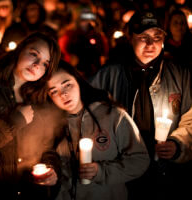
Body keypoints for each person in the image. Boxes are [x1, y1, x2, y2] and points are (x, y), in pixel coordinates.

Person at [91, 9, 192, 200]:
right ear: (130, 38)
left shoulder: (181, 75)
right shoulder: (108, 75)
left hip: (165, 173)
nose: (151, 43)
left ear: (164, 39)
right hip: (120, 171)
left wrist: (178, 144)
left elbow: (191, 117)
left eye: (157, 36)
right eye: (143, 36)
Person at [0, 32, 63, 200]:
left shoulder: (40, 100)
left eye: (45, 63)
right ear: (20, 50)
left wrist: (52, 169)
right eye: (34, 54)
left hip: (29, 191)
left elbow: (47, 149)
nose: (37, 65)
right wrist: (14, 122)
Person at [41, 60, 149, 200]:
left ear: (78, 81)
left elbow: (140, 160)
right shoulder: (52, 126)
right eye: (54, 91)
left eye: (67, 84)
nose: (63, 94)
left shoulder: (112, 115)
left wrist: (100, 171)